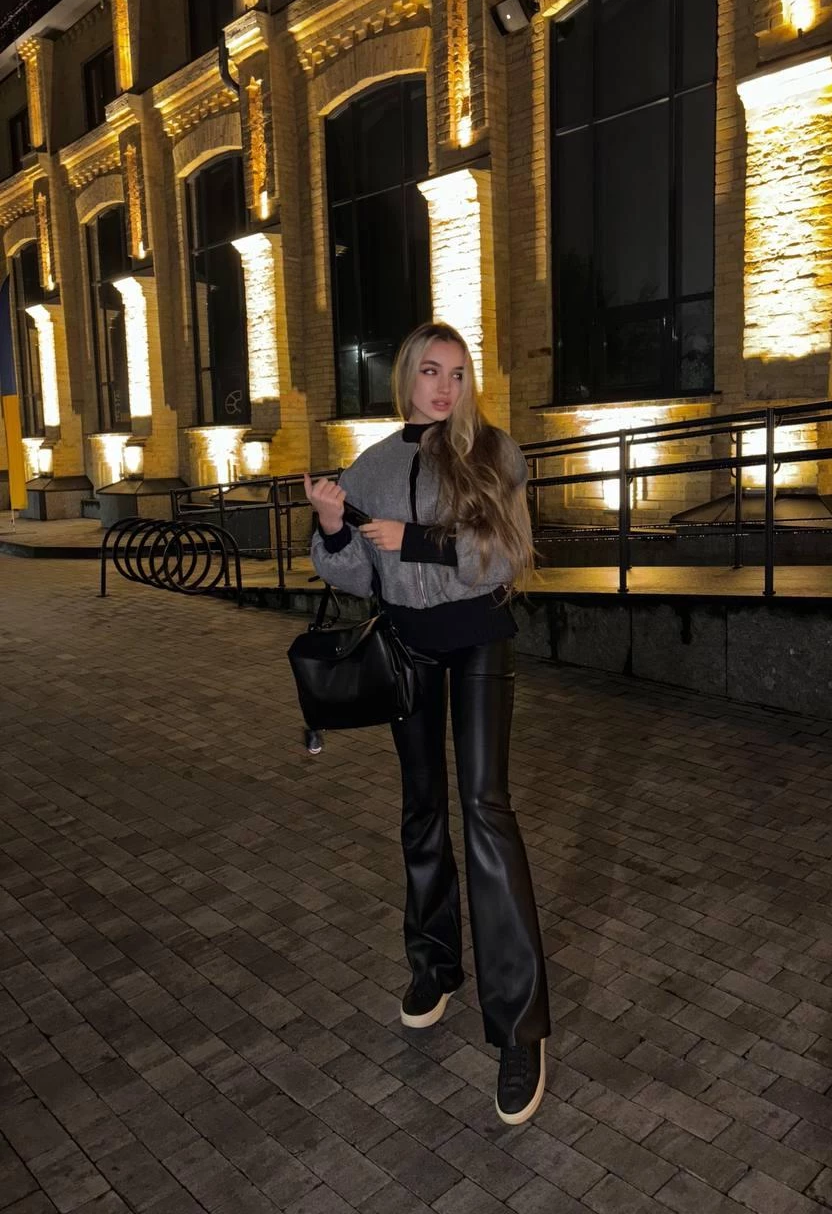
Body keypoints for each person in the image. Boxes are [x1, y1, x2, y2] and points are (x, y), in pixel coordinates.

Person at [304, 321, 550, 1125]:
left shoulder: (493, 452)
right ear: (406, 377)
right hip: (405, 646)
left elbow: (510, 552)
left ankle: (518, 1027)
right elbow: (355, 573)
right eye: (431, 372)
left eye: (458, 373)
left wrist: (422, 542)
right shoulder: (371, 466)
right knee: (421, 809)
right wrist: (333, 525)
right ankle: (434, 965)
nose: (445, 388)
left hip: (478, 636)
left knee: (485, 810)